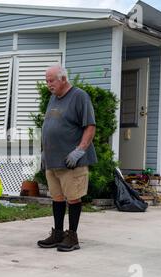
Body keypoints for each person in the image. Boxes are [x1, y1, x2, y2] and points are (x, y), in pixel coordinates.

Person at [37, 65, 97, 252]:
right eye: (46, 81)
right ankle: (58, 234)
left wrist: (80, 150)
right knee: (57, 198)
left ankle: (72, 237)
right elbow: (50, 126)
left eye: (51, 80)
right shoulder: (53, 98)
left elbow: (90, 126)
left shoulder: (79, 96)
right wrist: (44, 153)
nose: (48, 84)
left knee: (73, 198)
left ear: (63, 79)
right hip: (52, 160)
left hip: (71, 161)